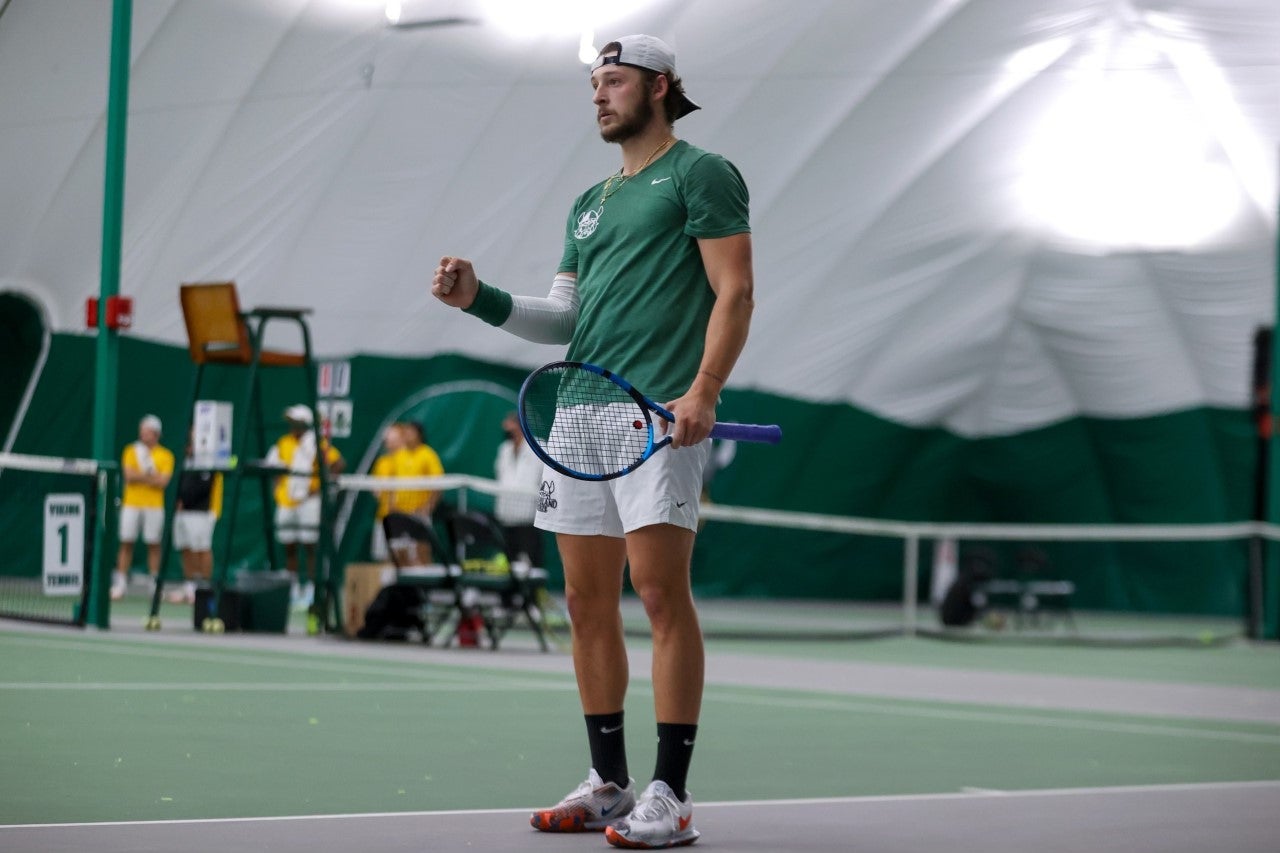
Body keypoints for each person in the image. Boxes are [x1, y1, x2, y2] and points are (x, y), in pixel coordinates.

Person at [431, 34, 754, 849]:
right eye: (594, 85)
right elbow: (564, 317)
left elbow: (735, 289)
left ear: (660, 86)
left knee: (657, 593)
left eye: (613, 81)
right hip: (577, 413)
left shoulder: (701, 174)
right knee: (583, 602)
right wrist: (481, 299)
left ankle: (671, 794)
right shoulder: (588, 202)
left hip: (657, 415)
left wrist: (704, 389)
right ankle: (608, 782)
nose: (599, 96)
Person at [265, 404, 344, 608]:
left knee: (311, 547)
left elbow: (338, 464)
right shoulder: (283, 443)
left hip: (309, 501)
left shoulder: (318, 443)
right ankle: (291, 588)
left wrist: (319, 488)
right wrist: (277, 487)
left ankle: (311, 588)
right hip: (286, 501)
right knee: (289, 546)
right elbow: (275, 467)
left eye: (296, 423)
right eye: (291, 422)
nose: (292, 426)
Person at [114, 414, 175, 600]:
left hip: (154, 507)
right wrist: (150, 477)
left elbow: (163, 482)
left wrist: (141, 476)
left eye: (147, 431)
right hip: (131, 504)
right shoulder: (131, 450)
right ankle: (120, 584)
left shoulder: (166, 455)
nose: (143, 434)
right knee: (126, 542)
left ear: (156, 433)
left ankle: (154, 584)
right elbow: (129, 476)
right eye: (142, 431)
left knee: (154, 544)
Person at [168, 432, 223, 604]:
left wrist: (185, 500)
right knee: (186, 547)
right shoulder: (186, 460)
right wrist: (178, 501)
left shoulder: (208, 462)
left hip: (201, 513)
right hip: (182, 512)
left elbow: (203, 488)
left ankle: (204, 586)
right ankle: (190, 586)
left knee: (202, 548)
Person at [493, 410, 544, 568]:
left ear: (522, 427)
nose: (508, 432)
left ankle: (534, 592)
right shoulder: (504, 449)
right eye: (507, 430)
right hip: (505, 517)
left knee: (531, 565)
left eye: (512, 428)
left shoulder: (539, 446)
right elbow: (500, 476)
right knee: (508, 564)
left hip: (528, 520)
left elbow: (544, 480)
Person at [390, 420, 444, 564]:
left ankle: (426, 586)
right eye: (405, 432)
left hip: (419, 515)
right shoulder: (399, 456)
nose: (407, 435)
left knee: (422, 554)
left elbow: (438, 485)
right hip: (400, 514)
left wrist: (427, 508)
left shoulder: (428, 455)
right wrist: (392, 506)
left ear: (419, 435)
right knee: (400, 557)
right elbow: (391, 484)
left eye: (410, 432)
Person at [369, 423, 405, 561]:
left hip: (404, 516)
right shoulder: (382, 462)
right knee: (381, 557)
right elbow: (376, 491)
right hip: (383, 516)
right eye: (388, 438)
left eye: (393, 437)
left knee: (403, 556)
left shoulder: (408, 459)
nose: (389, 441)